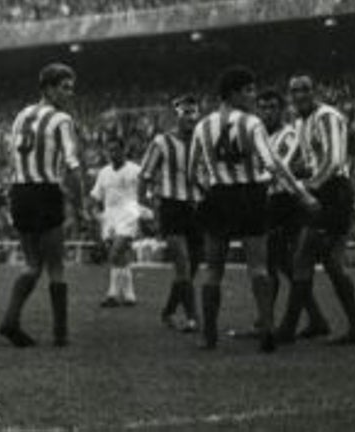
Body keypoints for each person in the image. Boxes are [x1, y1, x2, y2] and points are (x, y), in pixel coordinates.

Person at [188, 66, 319, 353]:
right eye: (248, 90)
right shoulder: (251, 123)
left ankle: (208, 336)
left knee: (213, 270)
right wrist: (301, 194)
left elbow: (192, 170)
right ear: (233, 93)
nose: (252, 95)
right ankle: (268, 331)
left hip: (218, 195)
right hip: (251, 195)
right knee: (259, 267)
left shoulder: (202, 126)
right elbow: (272, 163)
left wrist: (206, 191)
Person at [278, 74, 355, 346]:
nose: (300, 95)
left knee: (303, 257)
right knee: (329, 262)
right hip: (325, 190)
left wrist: (309, 187)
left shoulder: (327, 116)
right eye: (295, 90)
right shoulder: (301, 122)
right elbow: (312, 161)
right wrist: (294, 174)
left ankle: (289, 329)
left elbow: (334, 159)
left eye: (305, 89)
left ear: (314, 91)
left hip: (333, 192)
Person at [0, 63, 84, 348]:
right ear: (48, 88)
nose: (70, 93)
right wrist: (79, 204)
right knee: (56, 267)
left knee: (32, 263)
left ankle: (10, 320)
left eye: (71, 87)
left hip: (20, 192)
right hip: (45, 191)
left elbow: (14, 157)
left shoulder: (21, 116)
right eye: (64, 87)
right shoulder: (61, 120)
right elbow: (72, 167)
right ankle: (61, 334)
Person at [256, 87, 330, 342]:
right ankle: (316, 318)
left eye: (272, 107)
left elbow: (280, 168)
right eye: (263, 107)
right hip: (271, 201)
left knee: (275, 263)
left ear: (281, 109)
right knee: (285, 265)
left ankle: (265, 321)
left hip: (285, 202)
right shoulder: (261, 137)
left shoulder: (287, 135)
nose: (267, 112)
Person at [139, 94, 201, 332]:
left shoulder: (202, 141)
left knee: (192, 266)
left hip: (197, 207)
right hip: (172, 206)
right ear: (177, 116)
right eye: (185, 112)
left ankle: (168, 311)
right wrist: (145, 209)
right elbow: (144, 176)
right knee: (183, 264)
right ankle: (193, 318)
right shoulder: (162, 141)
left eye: (194, 112)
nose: (190, 117)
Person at [91, 135, 141, 307]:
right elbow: (97, 196)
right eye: (110, 150)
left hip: (128, 216)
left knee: (115, 253)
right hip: (110, 219)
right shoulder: (104, 172)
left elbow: (144, 192)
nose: (113, 153)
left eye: (116, 149)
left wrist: (143, 213)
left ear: (123, 150)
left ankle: (112, 294)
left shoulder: (135, 170)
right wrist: (95, 212)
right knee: (122, 257)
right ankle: (129, 295)